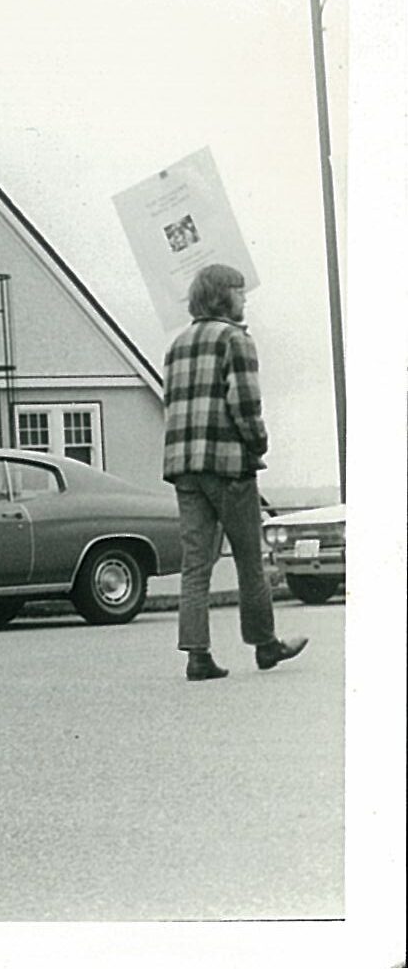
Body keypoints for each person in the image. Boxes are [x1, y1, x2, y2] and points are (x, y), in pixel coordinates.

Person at [161, 263, 308, 682]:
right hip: (228, 464)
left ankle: (197, 655)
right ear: (223, 295)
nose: (244, 300)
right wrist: (258, 443)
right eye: (239, 292)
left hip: (184, 466)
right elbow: (245, 403)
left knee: (196, 565)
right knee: (249, 559)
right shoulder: (235, 340)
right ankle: (265, 645)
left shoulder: (177, 345)